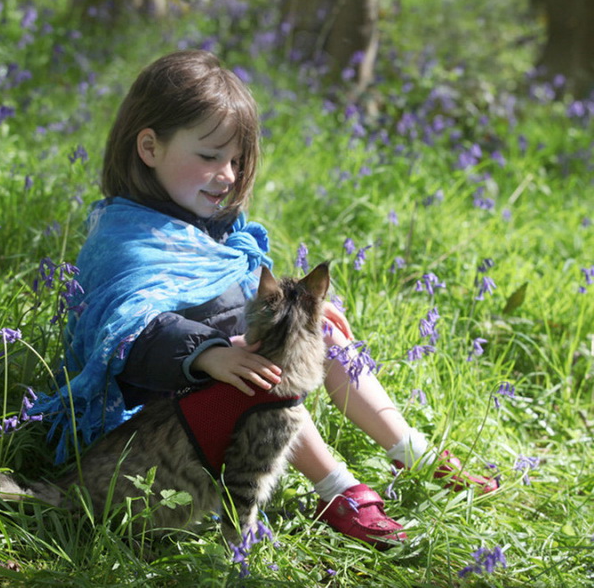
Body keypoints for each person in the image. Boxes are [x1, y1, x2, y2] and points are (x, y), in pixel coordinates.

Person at [31, 49, 497, 549]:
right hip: (156, 423)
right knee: (266, 379)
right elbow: (129, 328)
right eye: (209, 156)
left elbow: (243, 296)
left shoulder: (210, 229)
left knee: (321, 342)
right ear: (149, 147)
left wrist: (305, 317)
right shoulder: (125, 238)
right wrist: (206, 354)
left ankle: (411, 450)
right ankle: (334, 486)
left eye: (235, 160)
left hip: (225, 387)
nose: (228, 175)